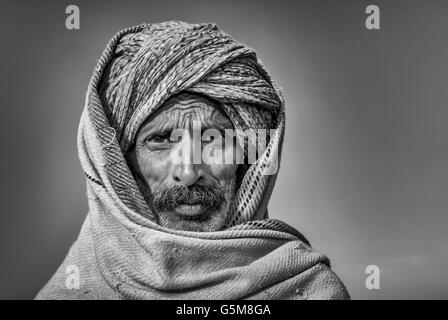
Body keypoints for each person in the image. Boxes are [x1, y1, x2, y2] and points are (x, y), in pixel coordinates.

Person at [36, 21, 349, 300]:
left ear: (246, 161)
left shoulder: (309, 290)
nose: (188, 172)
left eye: (214, 140)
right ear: (121, 163)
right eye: (159, 140)